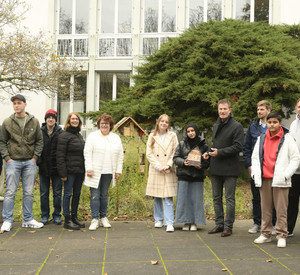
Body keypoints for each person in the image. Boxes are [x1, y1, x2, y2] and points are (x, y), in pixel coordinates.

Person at [252, 112, 300, 248]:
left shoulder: (287, 138)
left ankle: (281, 235)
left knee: (281, 210)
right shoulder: (261, 138)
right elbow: (255, 157)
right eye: (269, 122)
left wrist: (286, 175)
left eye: (275, 122)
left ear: (280, 124)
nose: (272, 125)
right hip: (265, 179)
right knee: (265, 209)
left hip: (280, 180)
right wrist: (256, 174)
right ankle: (265, 234)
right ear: (266, 124)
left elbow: (295, 158)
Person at [0, 94, 44, 232]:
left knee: (29, 192)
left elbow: (39, 141)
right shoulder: (7, 122)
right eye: (14, 103)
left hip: (30, 162)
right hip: (13, 162)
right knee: (10, 192)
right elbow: (2, 141)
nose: (16, 105)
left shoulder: (34, 121)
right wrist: (7, 158)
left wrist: (35, 158)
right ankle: (7, 220)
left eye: (19, 103)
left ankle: (28, 219)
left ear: (25, 104)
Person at [205, 99, 244, 237]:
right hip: (216, 167)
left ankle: (228, 226)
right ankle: (219, 224)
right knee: (216, 197)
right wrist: (208, 153)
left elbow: (238, 147)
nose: (222, 111)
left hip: (230, 168)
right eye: (220, 109)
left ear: (230, 110)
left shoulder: (236, 126)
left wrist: (219, 152)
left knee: (229, 199)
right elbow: (216, 144)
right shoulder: (216, 125)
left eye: (224, 109)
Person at [84, 114, 124, 230]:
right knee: (95, 196)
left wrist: (118, 170)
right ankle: (95, 219)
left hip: (108, 171)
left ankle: (104, 217)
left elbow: (120, 155)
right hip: (94, 172)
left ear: (110, 125)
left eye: (107, 123)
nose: (104, 125)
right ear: (99, 125)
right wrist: (89, 168)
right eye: (102, 123)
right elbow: (87, 153)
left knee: (104, 195)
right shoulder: (93, 136)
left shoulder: (115, 138)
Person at [243, 100, 276, 234]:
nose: (259, 112)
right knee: (256, 197)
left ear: (268, 111)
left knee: (272, 197)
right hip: (256, 168)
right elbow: (246, 148)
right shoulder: (253, 127)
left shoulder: (274, 125)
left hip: (271, 168)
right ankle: (257, 223)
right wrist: (248, 165)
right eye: (258, 109)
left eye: (261, 109)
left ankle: (273, 224)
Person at [173, 123, 209, 231]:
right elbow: (175, 158)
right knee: (184, 199)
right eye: (188, 131)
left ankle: (194, 222)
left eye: (192, 131)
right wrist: (184, 162)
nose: (190, 133)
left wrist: (201, 165)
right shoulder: (181, 144)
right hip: (184, 175)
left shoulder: (204, 145)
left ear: (196, 131)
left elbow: (208, 162)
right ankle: (185, 222)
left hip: (197, 176)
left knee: (196, 200)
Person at [146, 114, 178, 232]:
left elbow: (175, 151)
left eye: (166, 122)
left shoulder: (173, 136)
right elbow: (149, 153)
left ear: (168, 124)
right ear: (158, 123)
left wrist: (168, 164)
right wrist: (158, 166)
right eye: (162, 121)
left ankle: (169, 222)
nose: (164, 123)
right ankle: (158, 219)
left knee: (168, 196)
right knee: (157, 196)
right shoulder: (152, 136)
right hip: (157, 169)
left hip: (168, 168)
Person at [56, 112, 85, 230]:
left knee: (77, 194)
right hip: (69, 171)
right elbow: (60, 156)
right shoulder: (64, 136)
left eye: (77, 119)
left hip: (80, 171)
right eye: (73, 119)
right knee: (67, 194)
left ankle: (74, 217)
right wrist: (62, 173)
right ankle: (67, 219)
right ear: (68, 121)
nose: (75, 121)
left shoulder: (79, 136)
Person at [38, 109, 63, 225]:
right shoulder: (40, 131)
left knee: (57, 193)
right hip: (43, 167)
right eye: (48, 117)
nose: (50, 119)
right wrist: (38, 161)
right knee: (44, 193)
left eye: (53, 117)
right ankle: (44, 215)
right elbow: (36, 147)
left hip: (57, 168)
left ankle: (57, 215)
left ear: (55, 120)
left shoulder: (60, 132)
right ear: (46, 119)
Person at [287, 99, 300, 237]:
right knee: (292, 201)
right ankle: (289, 229)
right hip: (295, 171)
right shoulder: (293, 124)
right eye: (299, 106)